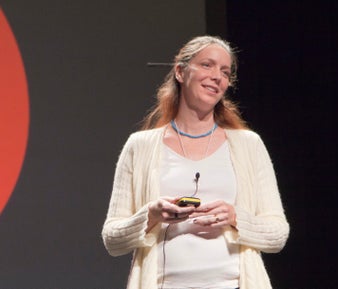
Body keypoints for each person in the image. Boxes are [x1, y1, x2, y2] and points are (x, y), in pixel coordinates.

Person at [102, 35, 289, 289]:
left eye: (225, 71)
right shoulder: (140, 146)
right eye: (207, 65)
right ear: (180, 72)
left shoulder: (248, 144)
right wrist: (153, 214)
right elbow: (112, 239)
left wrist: (236, 217)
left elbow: (278, 233)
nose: (217, 76)